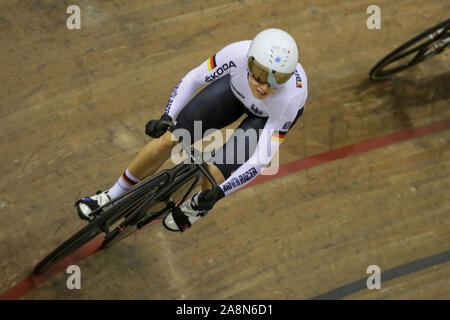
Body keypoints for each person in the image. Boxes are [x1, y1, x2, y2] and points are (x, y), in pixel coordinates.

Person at [75, 28, 308, 232]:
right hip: (235, 94)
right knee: (170, 139)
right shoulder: (238, 52)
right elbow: (194, 78)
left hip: (266, 118)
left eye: (276, 80)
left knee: (219, 167)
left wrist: (220, 192)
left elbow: (260, 159)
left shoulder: (291, 97)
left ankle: (197, 205)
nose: (264, 86)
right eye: (258, 74)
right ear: (248, 60)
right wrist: (167, 116)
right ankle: (112, 195)